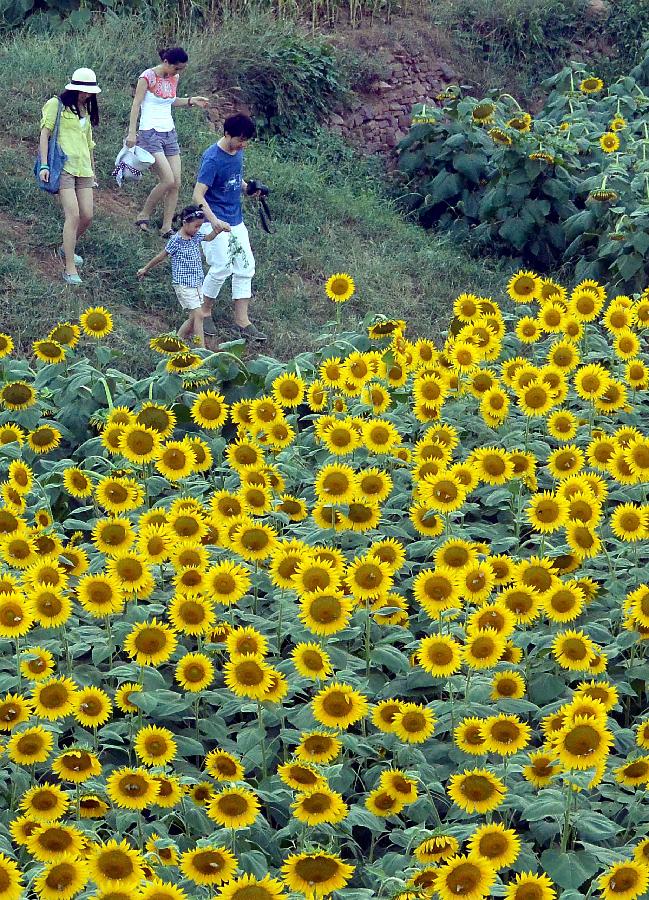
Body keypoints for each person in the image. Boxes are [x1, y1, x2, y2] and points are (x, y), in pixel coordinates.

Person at [193, 112, 267, 343]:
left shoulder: (238, 152)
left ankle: (242, 321)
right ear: (227, 134)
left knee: (246, 267)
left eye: (246, 140)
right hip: (213, 222)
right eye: (240, 139)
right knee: (221, 266)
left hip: (235, 221)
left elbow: (235, 180)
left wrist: (248, 189)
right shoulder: (213, 159)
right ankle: (203, 312)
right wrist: (213, 221)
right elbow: (197, 195)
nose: (243, 144)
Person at [126, 47, 209, 238]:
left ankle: (166, 226)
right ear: (166, 62)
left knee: (176, 182)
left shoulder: (174, 78)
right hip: (149, 132)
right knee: (167, 179)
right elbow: (136, 105)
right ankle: (144, 214)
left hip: (169, 132)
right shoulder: (147, 77)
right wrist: (132, 133)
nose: (177, 72)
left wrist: (190, 101)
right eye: (176, 68)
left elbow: (170, 100)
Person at [39, 68, 101, 286]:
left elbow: (89, 144)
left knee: (87, 215)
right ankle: (69, 267)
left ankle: (67, 247)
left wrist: (93, 171)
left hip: (83, 168)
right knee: (73, 215)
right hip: (63, 167)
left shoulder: (84, 109)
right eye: (83, 91)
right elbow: (45, 135)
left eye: (89, 92)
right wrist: (44, 165)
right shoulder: (56, 105)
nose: (86, 95)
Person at [137, 204, 230, 348]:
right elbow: (162, 255)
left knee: (193, 319)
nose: (198, 229)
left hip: (197, 282)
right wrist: (145, 268)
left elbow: (208, 238)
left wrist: (217, 231)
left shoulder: (195, 236)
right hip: (184, 284)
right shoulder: (176, 240)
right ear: (185, 222)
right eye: (196, 226)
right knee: (199, 315)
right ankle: (201, 349)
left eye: (200, 226)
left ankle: (175, 342)